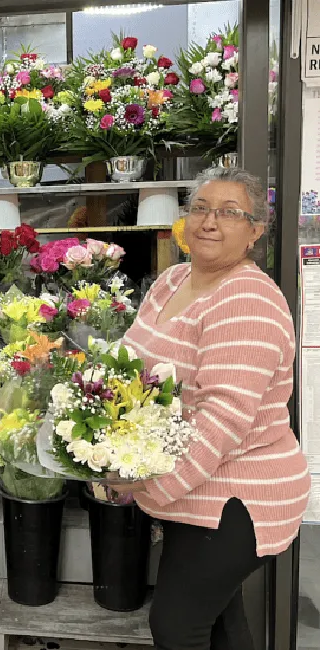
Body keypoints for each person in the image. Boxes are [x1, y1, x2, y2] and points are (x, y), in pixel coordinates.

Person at [119, 167, 310, 650]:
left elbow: (222, 419)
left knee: (177, 627)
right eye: (200, 208)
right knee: (220, 620)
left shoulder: (248, 301)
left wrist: (153, 485)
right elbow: (127, 361)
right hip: (197, 488)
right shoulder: (172, 280)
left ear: (254, 232)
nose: (209, 222)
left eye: (229, 213)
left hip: (241, 495)